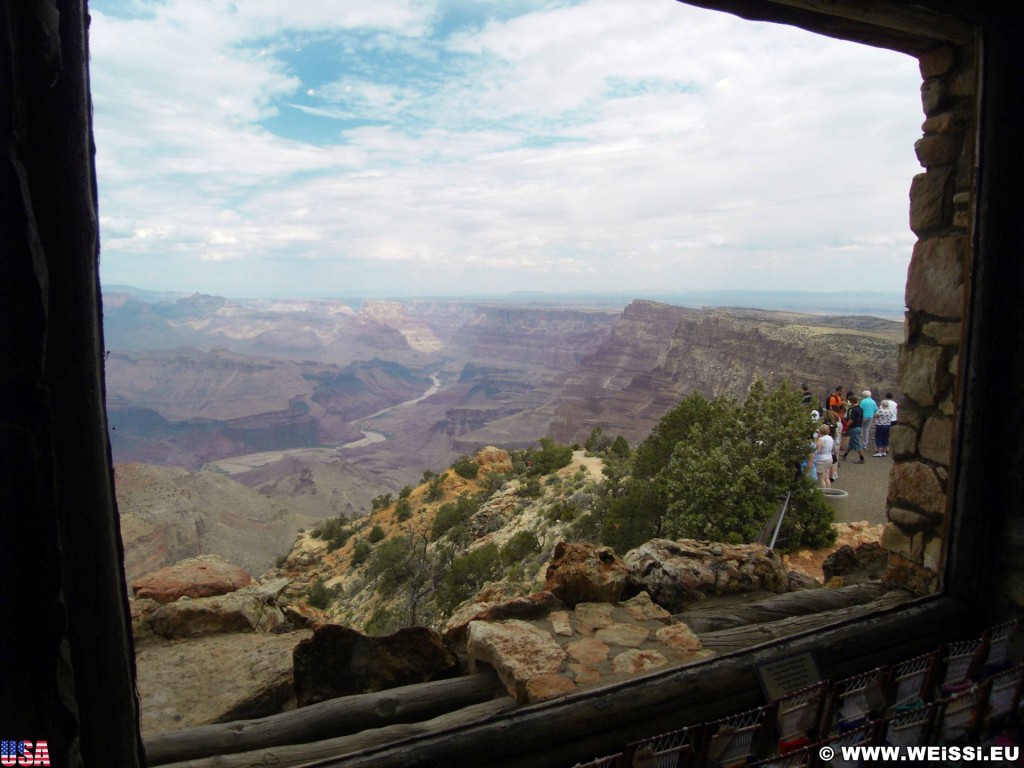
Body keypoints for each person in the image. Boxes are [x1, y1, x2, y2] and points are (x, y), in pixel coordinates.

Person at [842, 395, 866, 463]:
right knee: (851, 443)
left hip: (853, 428)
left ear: (851, 401)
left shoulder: (852, 409)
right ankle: (845, 455)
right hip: (858, 427)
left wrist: (845, 426)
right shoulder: (861, 409)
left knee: (856, 443)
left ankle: (861, 458)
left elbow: (851, 420)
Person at [814, 423, 834, 488]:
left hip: (822, 459)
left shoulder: (821, 439)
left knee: (821, 478)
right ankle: (829, 490)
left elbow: (818, 450)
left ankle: (823, 493)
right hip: (829, 457)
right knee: (827, 477)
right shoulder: (830, 438)